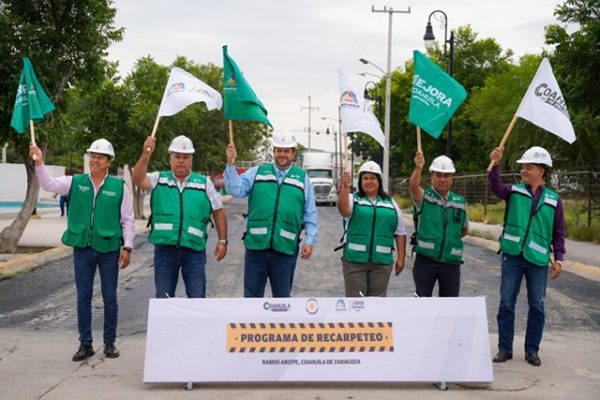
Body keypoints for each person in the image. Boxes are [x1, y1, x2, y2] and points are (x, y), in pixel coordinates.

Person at [29, 139, 135, 362]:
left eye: (100, 157)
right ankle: (85, 343)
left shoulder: (119, 187)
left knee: (110, 297)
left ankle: (109, 342)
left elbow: (127, 219)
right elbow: (49, 185)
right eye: (92, 156)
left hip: (109, 249)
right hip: (83, 250)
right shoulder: (75, 182)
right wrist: (39, 162)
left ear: (109, 162)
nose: (95, 160)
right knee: (83, 297)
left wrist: (127, 246)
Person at [489, 146, 565, 367]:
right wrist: (495, 164)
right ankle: (505, 348)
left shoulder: (554, 200)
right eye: (522, 167)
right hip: (512, 255)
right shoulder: (513, 191)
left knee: (537, 306)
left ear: (541, 170)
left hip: (538, 260)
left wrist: (559, 259)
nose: (523, 171)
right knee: (506, 303)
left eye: (528, 167)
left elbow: (558, 234)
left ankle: (532, 350)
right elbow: (496, 187)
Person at [224, 131, 319, 298]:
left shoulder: (302, 179)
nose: (282, 154)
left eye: (286, 151)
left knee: (282, 301)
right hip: (256, 247)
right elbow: (235, 189)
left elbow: (310, 213)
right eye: (279, 150)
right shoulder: (257, 172)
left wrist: (309, 241)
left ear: (293, 154)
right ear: (273, 151)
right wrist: (231, 165)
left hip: (285, 248)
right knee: (252, 299)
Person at [133, 135, 227, 299]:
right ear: (170, 158)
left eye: (186, 157)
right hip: (165, 250)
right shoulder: (159, 179)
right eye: (177, 157)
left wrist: (223, 241)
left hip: (194, 250)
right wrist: (146, 154)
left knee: (197, 297)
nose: (181, 161)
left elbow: (218, 212)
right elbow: (138, 179)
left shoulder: (204, 183)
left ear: (191, 160)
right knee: (164, 298)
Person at [337, 161, 406, 297]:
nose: (369, 181)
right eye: (365, 178)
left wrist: (401, 258)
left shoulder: (391, 204)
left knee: (377, 304)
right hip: (355, 261)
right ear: (360, 181)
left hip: (382, 263)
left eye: (373, 178)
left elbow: (400, 232)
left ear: (379, 181)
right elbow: (344, 210)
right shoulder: (353, 199)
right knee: (356, 303)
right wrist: (345, 188)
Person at [409, 152, 468, 297]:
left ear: (451, 178)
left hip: (451, 263)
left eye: (446, 175)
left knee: (449, 305)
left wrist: (448, 241)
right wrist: (418, 168)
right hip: (426, 261)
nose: (442, 179)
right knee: (422, 302)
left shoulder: (460, 201)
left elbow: (464, 230)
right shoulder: (424, 197)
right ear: (432, 177)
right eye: (438, 175)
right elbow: (413, 186)